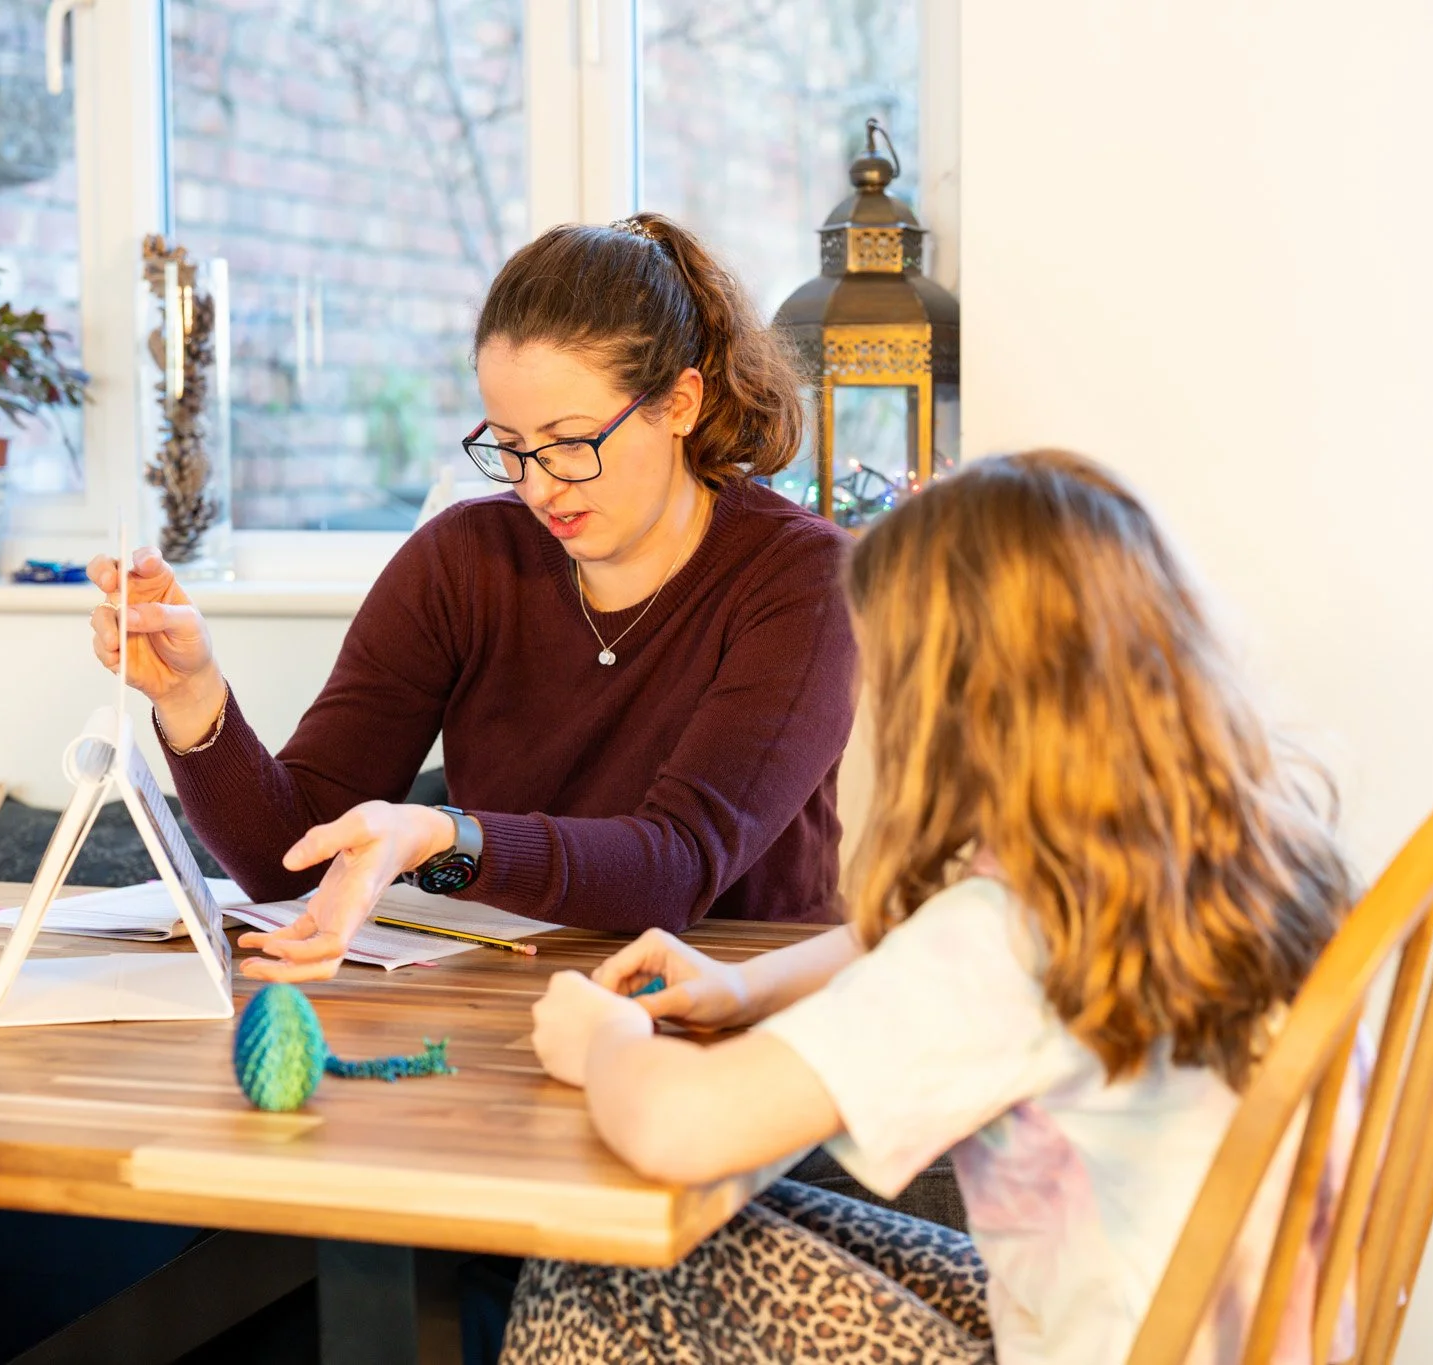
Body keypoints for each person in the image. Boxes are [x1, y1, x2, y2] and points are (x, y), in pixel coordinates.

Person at [512, 450, 1362, 1363]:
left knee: (589, 1270)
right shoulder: (1232, 855)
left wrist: (606, 1043)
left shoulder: (1009, 943)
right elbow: (942, 926)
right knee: (684, 1241)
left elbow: (681, 1124)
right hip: (1185, 1332)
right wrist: (747, 986)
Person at [90, 213, 856, 982]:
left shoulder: (805, 578)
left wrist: (443, 837)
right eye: (512, 447)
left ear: (681, 403)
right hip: (510, 989)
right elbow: (290, 860)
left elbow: (679, 865)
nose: (540, 486)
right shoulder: (464, 561)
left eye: (569, 442)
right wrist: (193, 698)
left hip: (739, 1002)